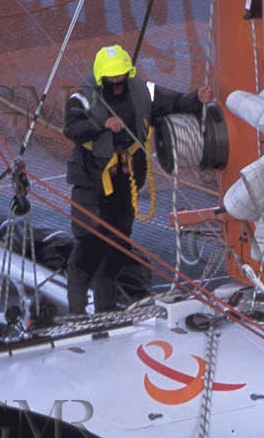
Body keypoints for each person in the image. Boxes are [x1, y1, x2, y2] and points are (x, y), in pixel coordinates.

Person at [64, 43, 212, 317]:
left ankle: (106, 313)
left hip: (126, 178)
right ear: (101, 77)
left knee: (118, 245)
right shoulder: (81, 99)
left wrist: (196, 98)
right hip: (91, 182)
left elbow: (175, 102)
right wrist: (102, 125)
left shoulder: (144, 91)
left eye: (122, 75)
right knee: (88, 247)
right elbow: (71, 127)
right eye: (112, 77)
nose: (117, 81)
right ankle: (76, 315)